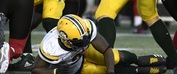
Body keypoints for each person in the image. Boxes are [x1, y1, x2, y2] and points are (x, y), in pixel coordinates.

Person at [32, 14, 167, 74]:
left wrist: (110, 71)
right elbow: (36, 69)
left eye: (85, 37)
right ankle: (139, 71)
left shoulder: (86, 29)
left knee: (115, 58)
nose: (84, 41)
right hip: (76, 70)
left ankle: (139, 60)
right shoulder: (50, 47)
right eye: (79, 41)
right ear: (64, 39)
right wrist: (56, 72)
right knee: (113, 71)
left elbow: (107, 50)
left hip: (86, 54)